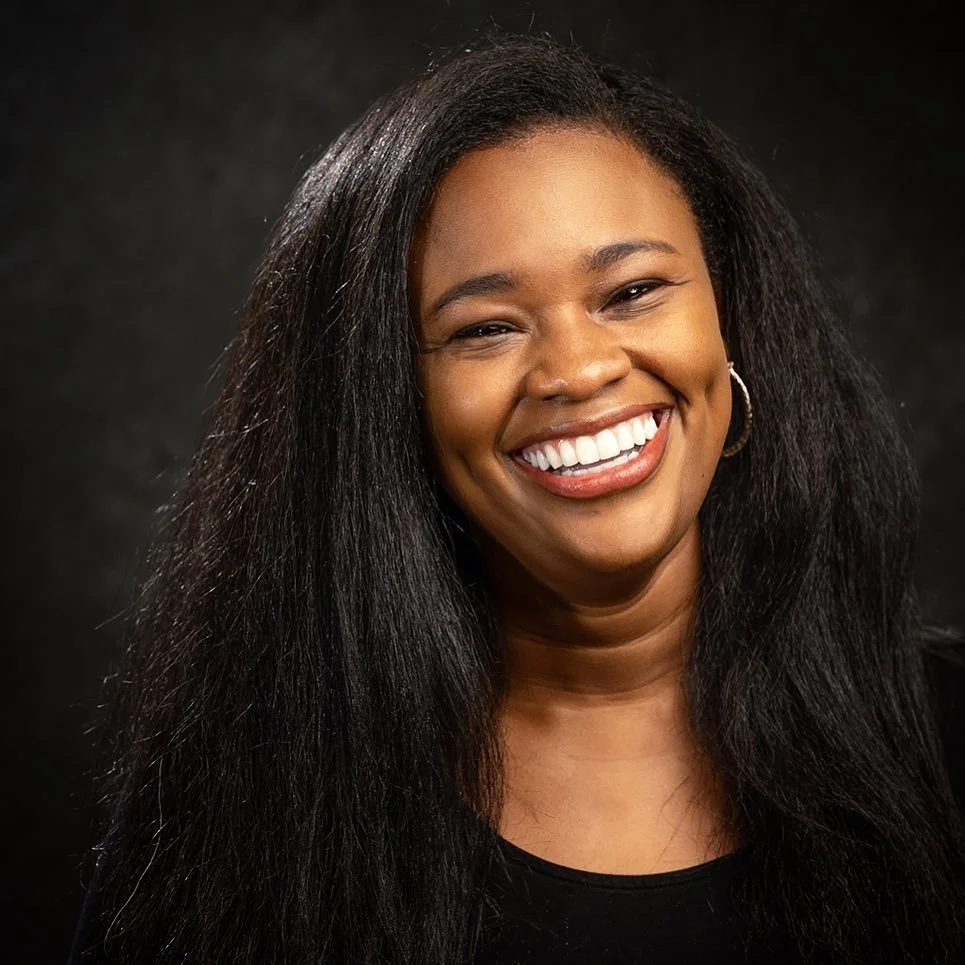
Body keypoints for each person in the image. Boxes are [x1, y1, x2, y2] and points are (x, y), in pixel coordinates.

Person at [69, 32, 965, 964]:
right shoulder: (232, 825)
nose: (577, 370)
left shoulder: (944, 735)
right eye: (484, 329)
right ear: (386, 404)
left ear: (730, 317)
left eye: (632, 290)